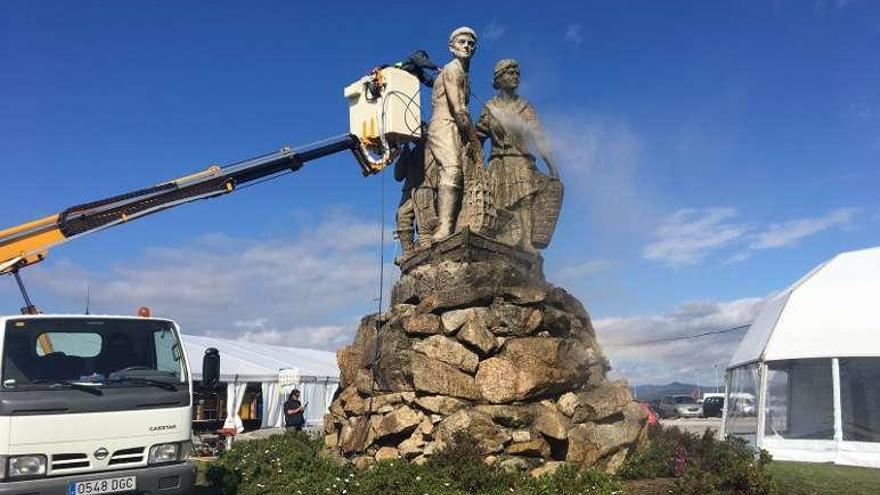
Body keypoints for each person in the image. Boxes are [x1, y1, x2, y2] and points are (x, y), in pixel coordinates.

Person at [476, 59, 559, 253]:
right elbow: (478, 136)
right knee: (497, 203)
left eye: (516, 73)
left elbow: (539, 137)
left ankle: (527, 243)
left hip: (521, 160)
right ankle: (502, 239)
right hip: (498, 162)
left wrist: (552, 166)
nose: (515, 77)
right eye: (509, 73)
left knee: (525, 200)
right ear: (499, 79)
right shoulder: (489, 108)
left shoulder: (524, 108)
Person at [426, 26, 480, 241]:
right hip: (444, 125)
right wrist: (474, 140)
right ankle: (444, 227)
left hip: (456, 127)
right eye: (462, 42)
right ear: (451, 47)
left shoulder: (465, 75)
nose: (467, 46)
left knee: (460, 174)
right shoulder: (452, 69)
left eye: (471, 44)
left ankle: (454, 222)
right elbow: (458, 109)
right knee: (452, 170)